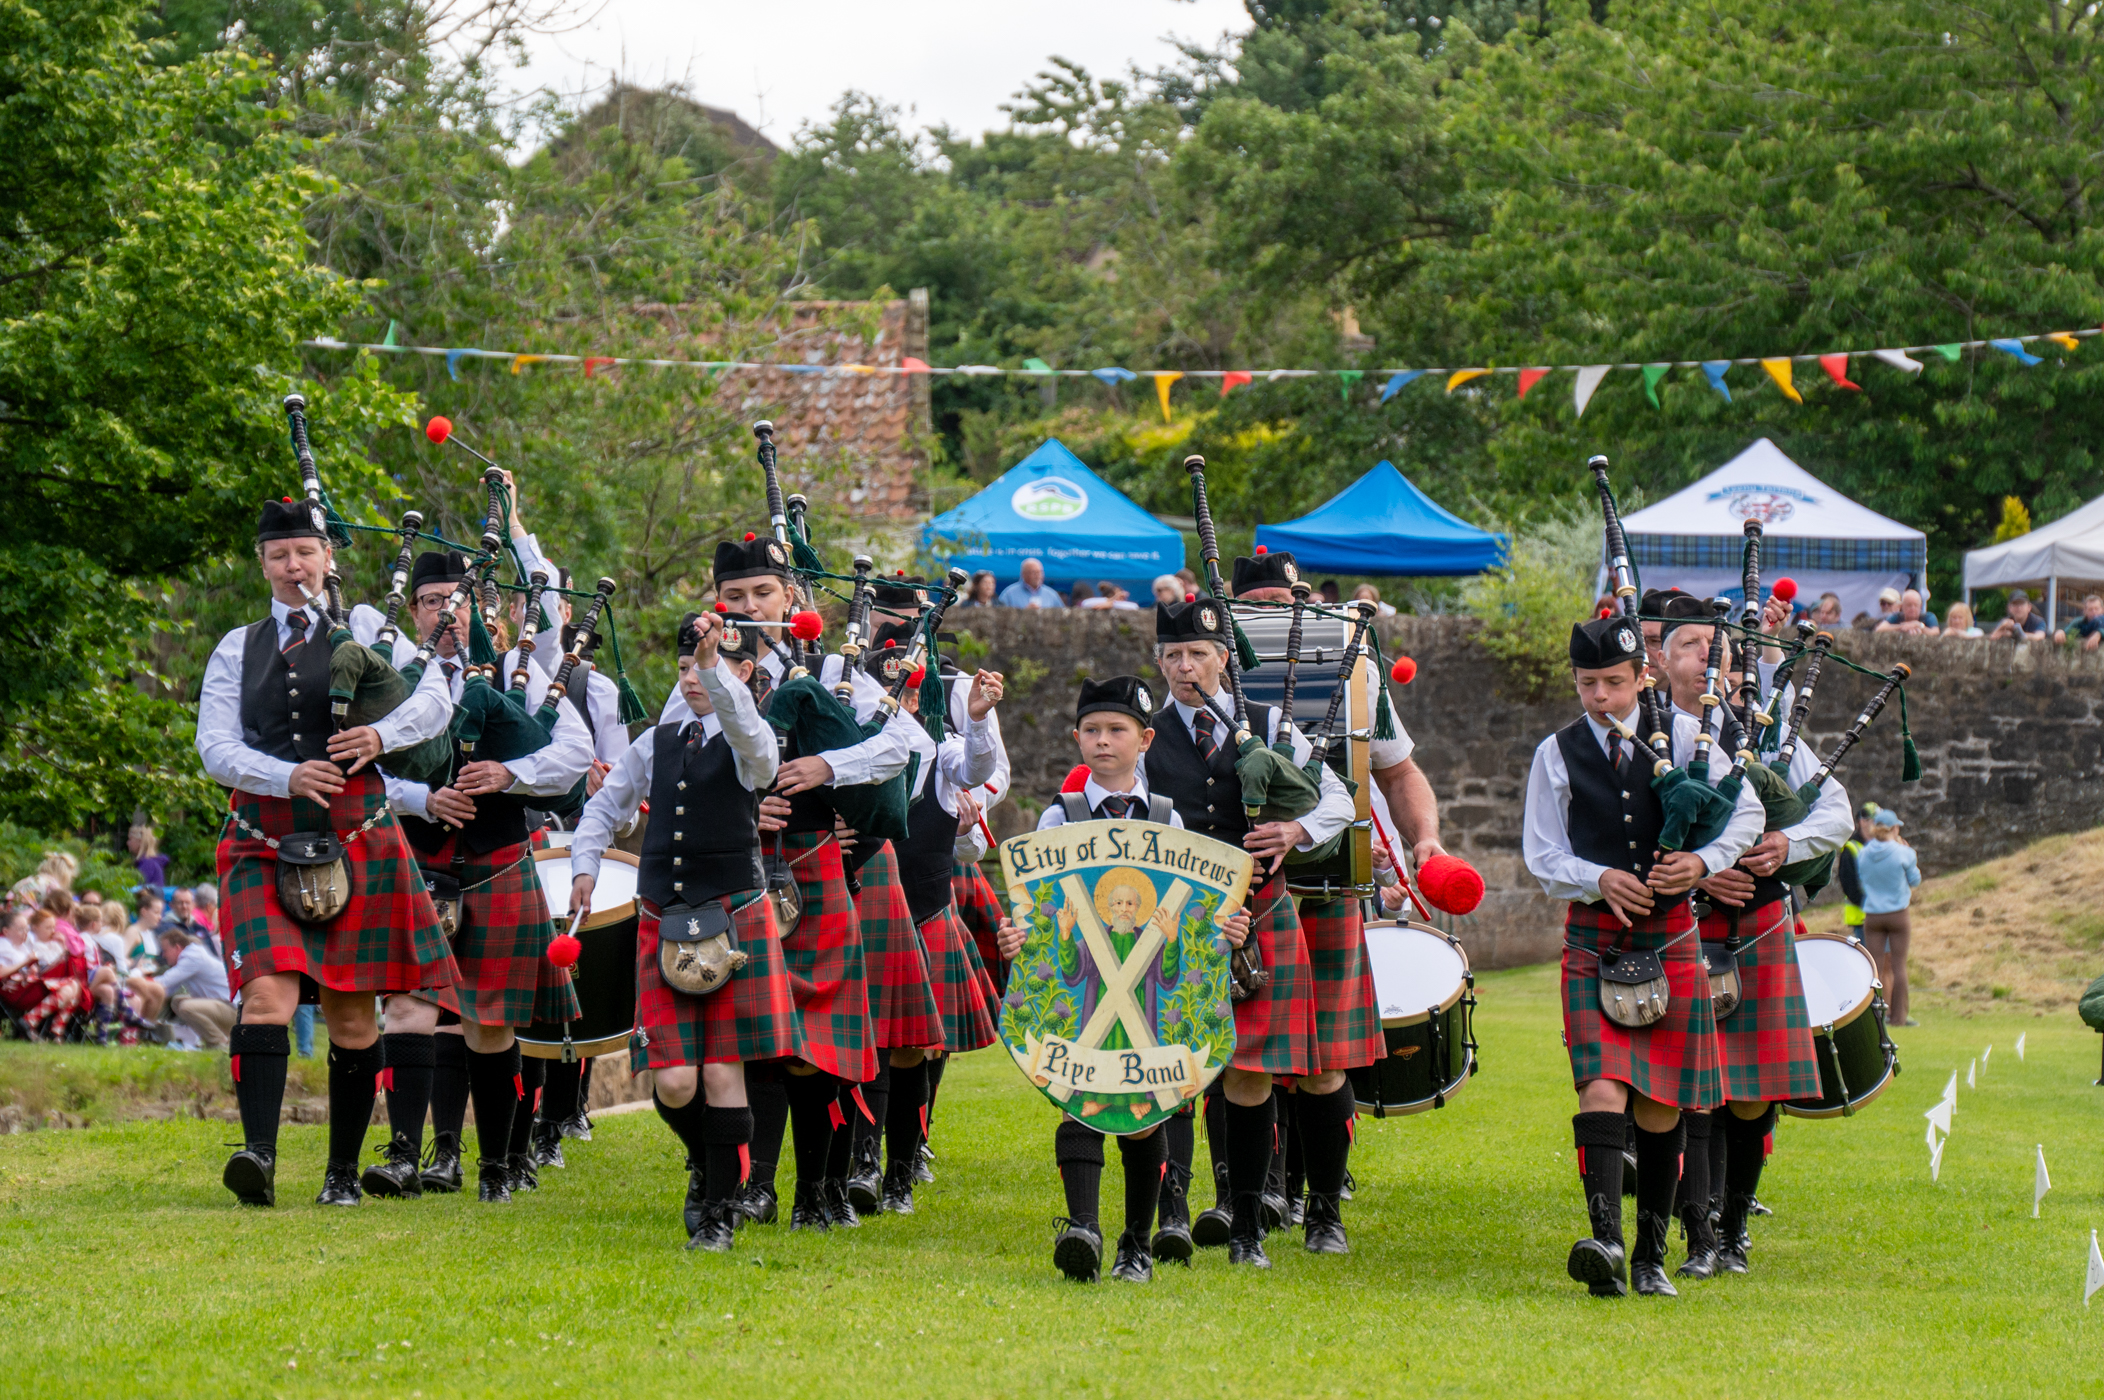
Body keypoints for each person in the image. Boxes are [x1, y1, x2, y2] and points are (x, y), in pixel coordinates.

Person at [195, 496, 459, 1208]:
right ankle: (258, 1155)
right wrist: (285, 774)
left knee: (348, 1013)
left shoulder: (371, 627)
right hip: (263, 834)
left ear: (328, 559)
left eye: (305, 552)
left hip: (355, 829)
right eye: (279, 555)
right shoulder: (235, 646)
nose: (293, 566)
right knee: (266, 994)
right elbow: (214, 747)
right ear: (263, 565)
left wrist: (381, 736)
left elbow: (436, 697)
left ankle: (342, 1173)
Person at [678, 535, 914, 1233]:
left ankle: (822, 1186)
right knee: (757, 1041)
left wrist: (827, 771)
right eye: (736, 596)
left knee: (820, 1046)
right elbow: (676, 757)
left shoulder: (841, 666)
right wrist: (743, 806)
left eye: (763, 593)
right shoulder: (706, 666)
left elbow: (905, 747)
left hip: (814, 861)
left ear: (792, 598)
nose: (750, 607)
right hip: (739, 867)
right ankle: (754, 1186)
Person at [1521, 615, 1761, 1299]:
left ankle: (1653, 1256)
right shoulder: (1557, 752)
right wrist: (1596, 877)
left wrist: (1701, 862)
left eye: (1614, 682)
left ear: (1642, 677)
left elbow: (1746, 814)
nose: (1600, 696)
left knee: (1660, 1106)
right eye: (1587, 683)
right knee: (1600, 1088)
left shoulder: (1688, 738)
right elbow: (1542, 853)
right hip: (1595, 937)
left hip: (1671, 936)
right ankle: (1606, 1240)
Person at [1218, 550, 1449, 1259]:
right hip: (1240, 896)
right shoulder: (1213, 675)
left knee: (1325, 1059)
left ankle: (1324, 1208)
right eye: (1259, 608)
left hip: (1327, 888)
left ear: (1306, 604)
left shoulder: (1355, 669)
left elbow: (1398, 770)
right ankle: (1243, 1202)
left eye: (1285, 606)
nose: (1277, 620)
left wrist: (1428, 843)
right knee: (1240, 1056)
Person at [1000, 674, 1252, 1282]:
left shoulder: (1169, 820)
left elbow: (1194, 924)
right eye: (1091, 731)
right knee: (1079, 1102)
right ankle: (1083, 1228)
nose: (1103, 742)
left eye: (1116, 731)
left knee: (1146, 1110)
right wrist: (1018, 938)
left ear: (1145, 740)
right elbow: (1036, 916)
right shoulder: (1060, 817)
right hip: (1083, 986)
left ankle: (1136, 1243)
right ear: (1077, 739)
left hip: (1150, 993)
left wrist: (1228, 934)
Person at [363, 545, 593, 1205]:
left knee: (488, 1022)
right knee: (407, 1007)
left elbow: (574, 753)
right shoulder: (394, 674)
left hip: (494, 863)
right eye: (435, 602)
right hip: (420, 858)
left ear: (479, 614)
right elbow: (364, 765)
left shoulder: (517, 674)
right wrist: (421, 799)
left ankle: (496, 1164)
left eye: (458, 603)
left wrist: (506, 774)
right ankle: (405, 1156)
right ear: (416, 611)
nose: (447, 613)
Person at [568, 611, 799, 1250]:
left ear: (745, 671)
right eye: (683, 667)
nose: (691, 678)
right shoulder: (657, 741)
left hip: (732, 916)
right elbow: (605, 807)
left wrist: (710, 669)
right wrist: (585, 866)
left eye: (707, 666)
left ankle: (720, 1213)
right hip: (662, 918)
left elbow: (754, 741)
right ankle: (710, 1161)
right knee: (673, 1081)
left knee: (724, 1072)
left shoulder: (754, 739)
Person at [1141, 595, 1354, 1269]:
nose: (1185, 667)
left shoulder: (1268, 725)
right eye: (1172, 655)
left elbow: (1338, 798)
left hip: (1260, 913)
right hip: (1176, 919)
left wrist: (1296, 830)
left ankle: (1271, 1225)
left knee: (1254, 1074)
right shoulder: (1143, 736)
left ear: (1224, 660)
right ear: (1158, 663)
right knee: (1174, 1069)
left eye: (1197, 654)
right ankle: (1175, 1211)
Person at [1658, 598, 1849, 1279]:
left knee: (1752, 1090)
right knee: (1696, 1087)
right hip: (1684, 921)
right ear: (1663, 661)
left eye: (1725, 651)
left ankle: (1735, 1228)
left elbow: (1837, 813)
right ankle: (1698, 1235)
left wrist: (1783, 842)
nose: (1714, 660)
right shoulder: (1652, 736)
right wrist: (1703, 878)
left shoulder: (1769, 738)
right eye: (1694, 649)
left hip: (1762, 918)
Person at [848, 625, 1005, 1217]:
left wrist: (982, 718)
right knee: (866, 1043)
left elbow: (977, 769)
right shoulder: (853, 746)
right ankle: (863, 1162)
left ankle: (902, 1171)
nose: (903, 703)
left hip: (925, 911)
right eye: (893, 691)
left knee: (912, 1048)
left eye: (912, 692)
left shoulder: (944, 751)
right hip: (867, 913)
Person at [1857, 809, 1921, 1027]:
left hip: (1873, 914)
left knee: (1874, 966)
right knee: (1898, 966)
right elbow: (1915, 880)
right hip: (1898, 914)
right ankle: (1899, 1017)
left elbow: (1863, 880)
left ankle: (1875, 1016)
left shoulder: (1864, 853)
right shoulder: (1903, 852)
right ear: (1895, 829)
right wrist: (1909, 854)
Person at [127, 928, 237, 1049]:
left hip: (232, 1010)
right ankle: (214, 1039)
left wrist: (134, 976)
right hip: (222, 1006)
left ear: (177, 948)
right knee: (177, 1002)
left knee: (186, 1007)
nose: (163, 955)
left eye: (165, 951)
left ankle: (218, 1043)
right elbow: (166, 990)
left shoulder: (193, 958)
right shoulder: (188, 960)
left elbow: (163, 982)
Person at [1836, 803, 1877, 936]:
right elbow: (1849, 885)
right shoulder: (1851, 849)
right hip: (1863, 919)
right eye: (1874, 820)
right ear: (1862, 821)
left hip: (1885, 915)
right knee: (1870, 957)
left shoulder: (1883, 845)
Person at [997, 559, 1065, 609]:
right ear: (1023, 574)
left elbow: (1063, 615)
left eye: (1040, 572)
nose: (1037, 576)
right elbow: (999, 616)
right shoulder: (1009, 594)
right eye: (1034, 572)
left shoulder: (1051, 595)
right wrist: (1024, 613)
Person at [128, 825, 169, 891]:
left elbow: (138, 890)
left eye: (130, 839)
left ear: (140, 842)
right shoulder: (148, 863)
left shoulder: (148, 864)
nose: (128, 843)